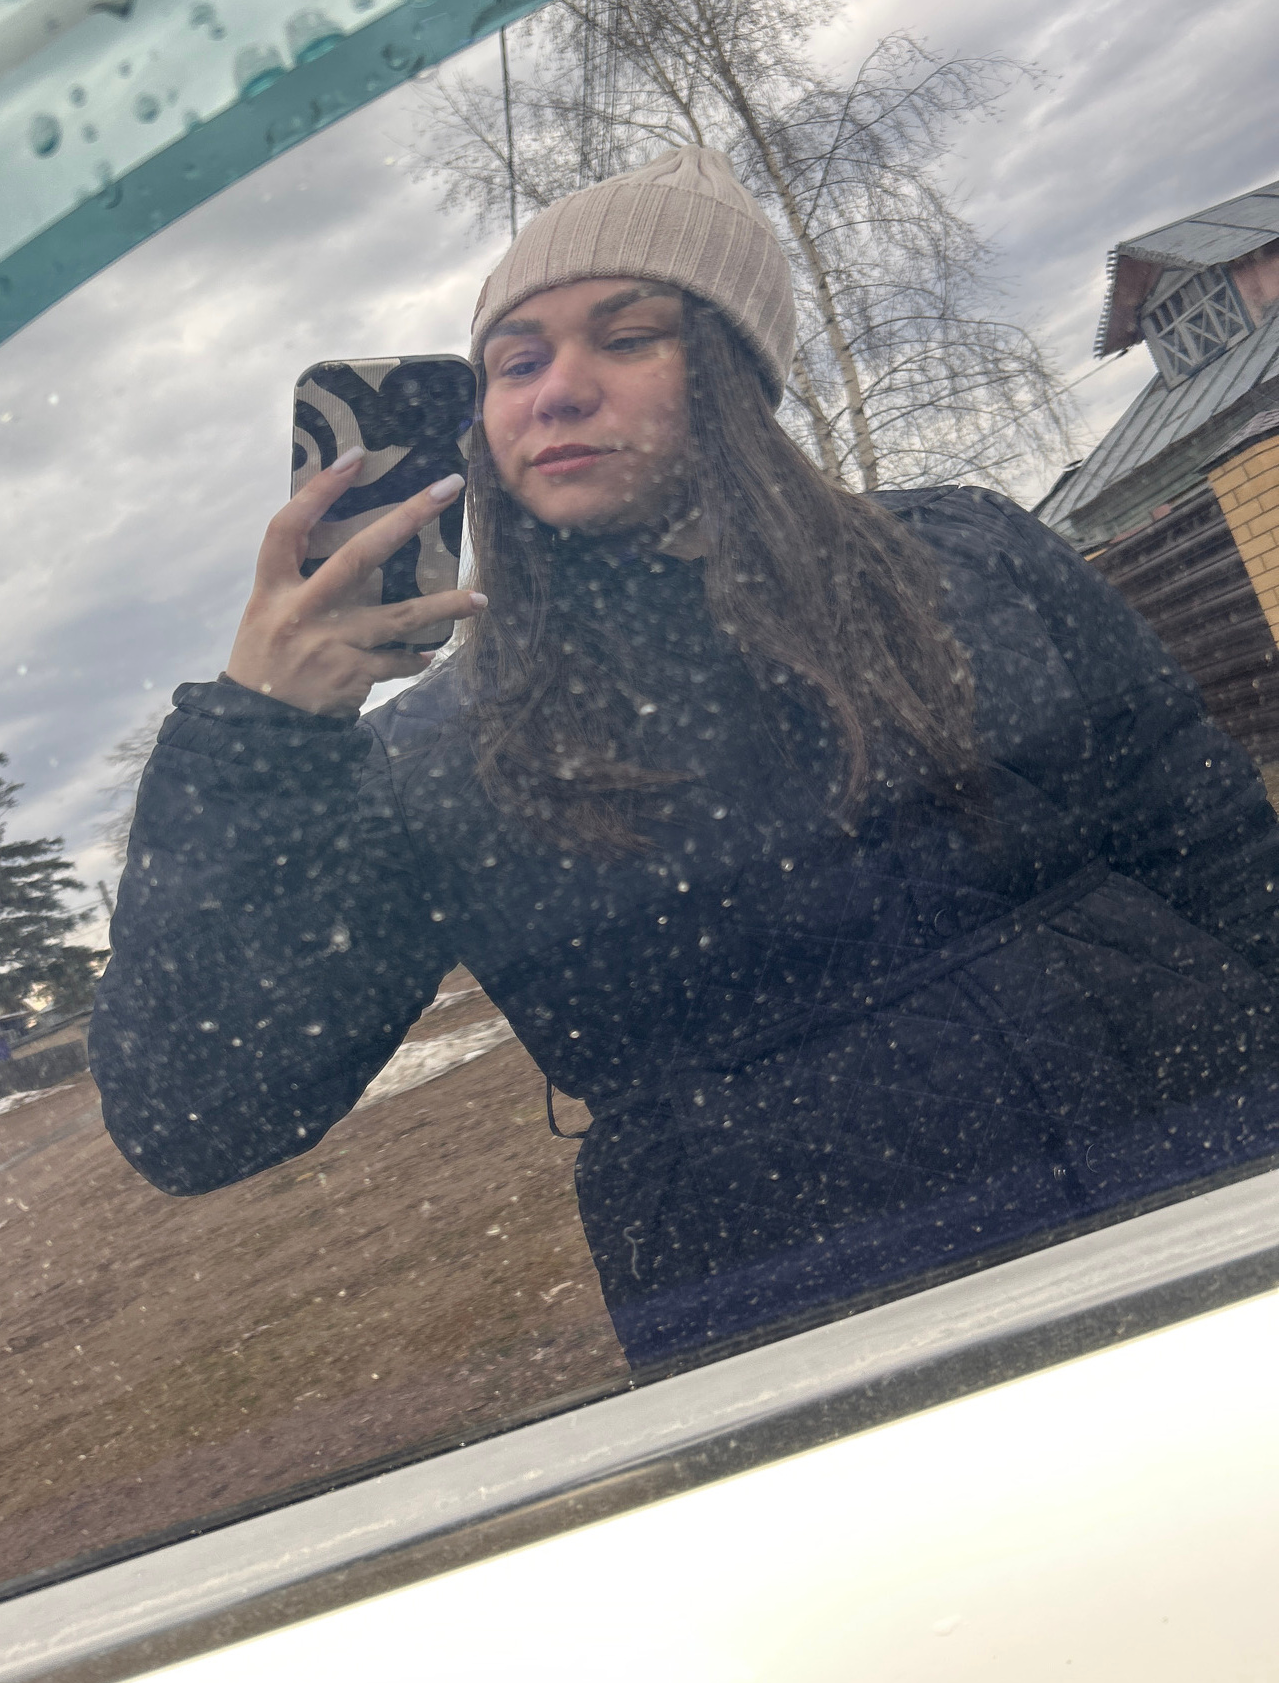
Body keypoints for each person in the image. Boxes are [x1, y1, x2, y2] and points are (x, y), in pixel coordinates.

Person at [91, 146, 1279, 1371]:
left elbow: (1223, 853)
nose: (559, 391)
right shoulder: (440, 755)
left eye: (626, 338)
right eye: (516, 362)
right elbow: (197, 1109)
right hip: (814, 1374)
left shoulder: (962, 559)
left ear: (732, 375)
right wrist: (265, 739)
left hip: (1213, 1234)